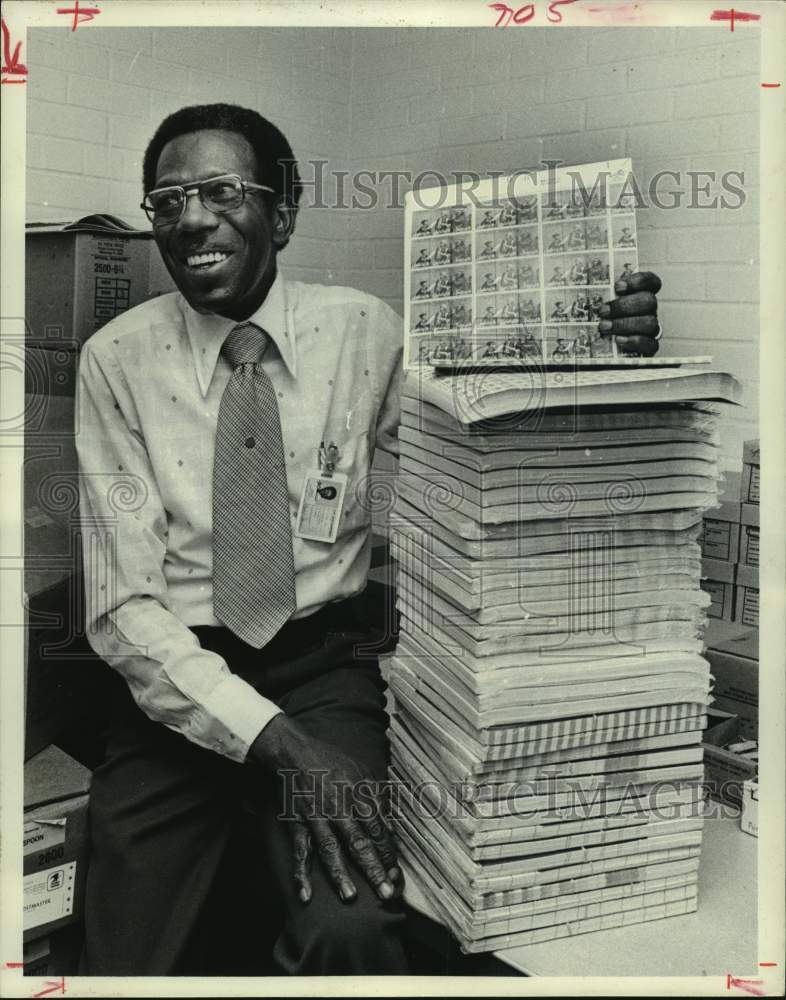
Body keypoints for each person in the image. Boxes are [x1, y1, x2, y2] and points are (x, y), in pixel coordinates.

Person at [74, 100, 664, 977]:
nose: (191, 218)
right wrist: (274, 741)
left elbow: (489, 436)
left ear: (283, 210)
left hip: (322, 672)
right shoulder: (115, 361)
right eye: (167, 200)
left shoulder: (367, 331)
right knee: (119, 946)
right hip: (171, 690)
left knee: (351, 933)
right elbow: (125, 610)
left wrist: (605, 348)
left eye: (221, 191)